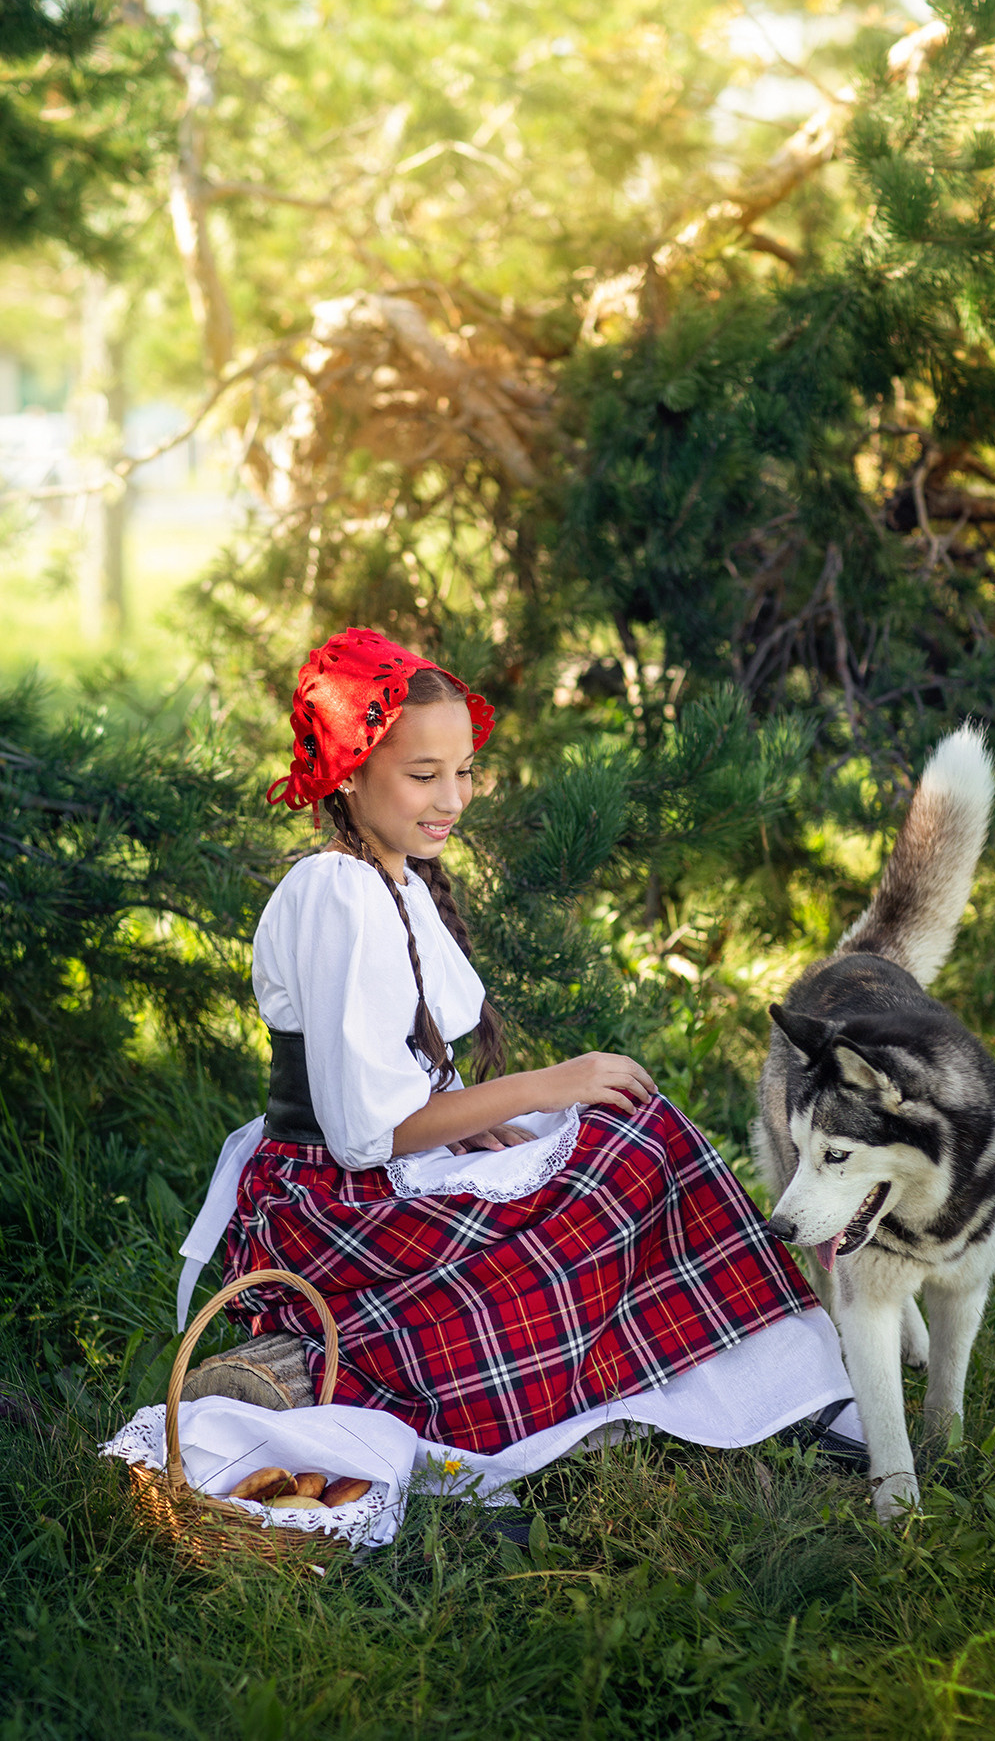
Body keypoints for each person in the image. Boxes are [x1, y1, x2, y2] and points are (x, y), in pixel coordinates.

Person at [178, 627, 865, 1475]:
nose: (452, 799)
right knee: (624, 1143)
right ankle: (754, 1387)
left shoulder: (388, 876)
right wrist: (546, 1084)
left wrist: (473, 1127)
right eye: (423, 776)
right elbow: (364, 1134)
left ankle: (779, 1385)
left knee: (633, 1128)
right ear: (348, 771)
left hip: (377, 1168)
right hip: (334, 1203)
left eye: (463, 772)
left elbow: (398, 1080)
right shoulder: (335, 892)